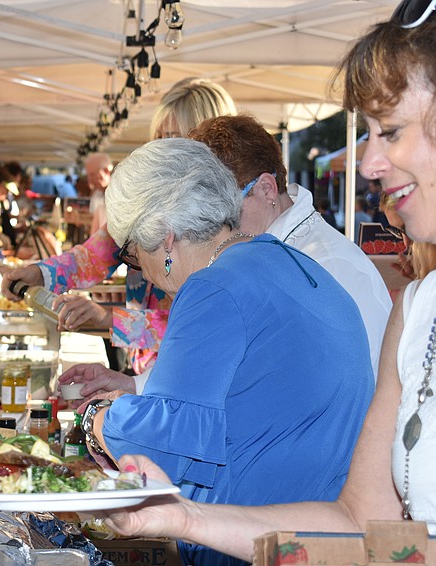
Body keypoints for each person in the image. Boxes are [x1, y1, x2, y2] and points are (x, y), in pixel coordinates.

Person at [101, 4, 436, 561]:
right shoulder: (414, 307)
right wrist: (188, 518)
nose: (369, 163)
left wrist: (98, 417)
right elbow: (360, 522)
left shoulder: (244, 277)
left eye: (392, 132)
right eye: (370, 134)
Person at [60, 139, 373, 566]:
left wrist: (96, 417)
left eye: (132, 256)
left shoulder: (213, 286)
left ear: (165, 237)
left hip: (253, 539)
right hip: (319, 532)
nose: (143, 274)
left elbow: (164, 447)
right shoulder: (296, 264)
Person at [1, 78, 237, 374]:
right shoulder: (151, 194)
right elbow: (96, 254)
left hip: (187, 373)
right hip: (149, 368)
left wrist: (109, 318)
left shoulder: (222, 220)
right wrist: (40, 274)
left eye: (174, 137)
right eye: (159, 137)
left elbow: (198, 328)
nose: (161, 146)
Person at [188, 114, 391, 379]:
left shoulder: (330, 266)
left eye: (226, 210)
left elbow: (367, 384)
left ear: (267, 189)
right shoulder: (266, 252)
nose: (217, 226)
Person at [84, 152, 112, 234]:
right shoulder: (96, 194)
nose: (89, 180)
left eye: (92, 175)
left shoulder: (121, 195)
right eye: (88, 175)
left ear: (106, 171)